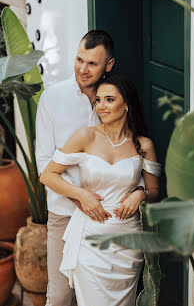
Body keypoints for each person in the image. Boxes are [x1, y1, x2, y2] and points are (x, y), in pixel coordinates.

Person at [36, 31, 146, 306]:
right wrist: (80, 198)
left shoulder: (114, 98)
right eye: (78, 60)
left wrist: (141, 191)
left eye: (92, 64)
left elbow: (134, 155)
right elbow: (43, 164)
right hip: (64, 211)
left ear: (108, 66)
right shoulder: (52, 99)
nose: (82, 70)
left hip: (110, 221)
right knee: (60, 296)